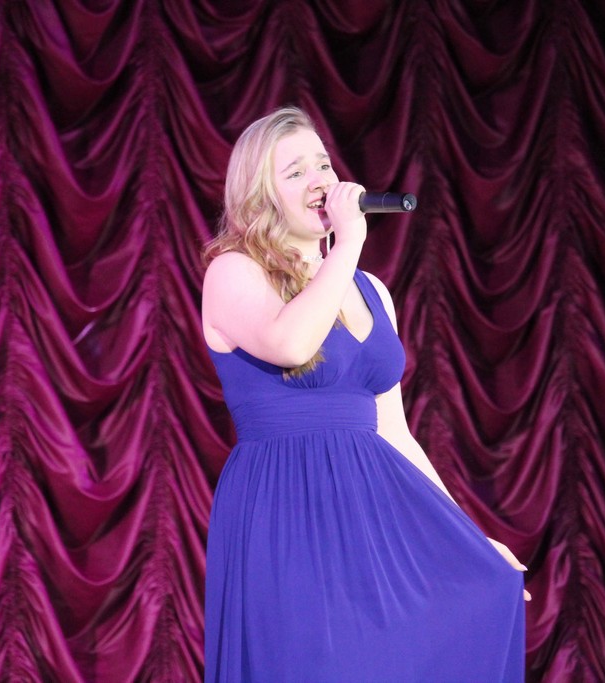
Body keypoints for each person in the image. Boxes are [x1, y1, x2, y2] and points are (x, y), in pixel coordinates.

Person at [201, 106, 527, 682]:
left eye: (324, 164)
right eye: (296, 171)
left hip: (371, 513)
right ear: (260, 194)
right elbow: (290, 343)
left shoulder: (371, 290)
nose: (320, 180)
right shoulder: (233, 271)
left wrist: (470, 537)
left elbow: (394, 432)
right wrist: (348, 243)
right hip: (286, 508)